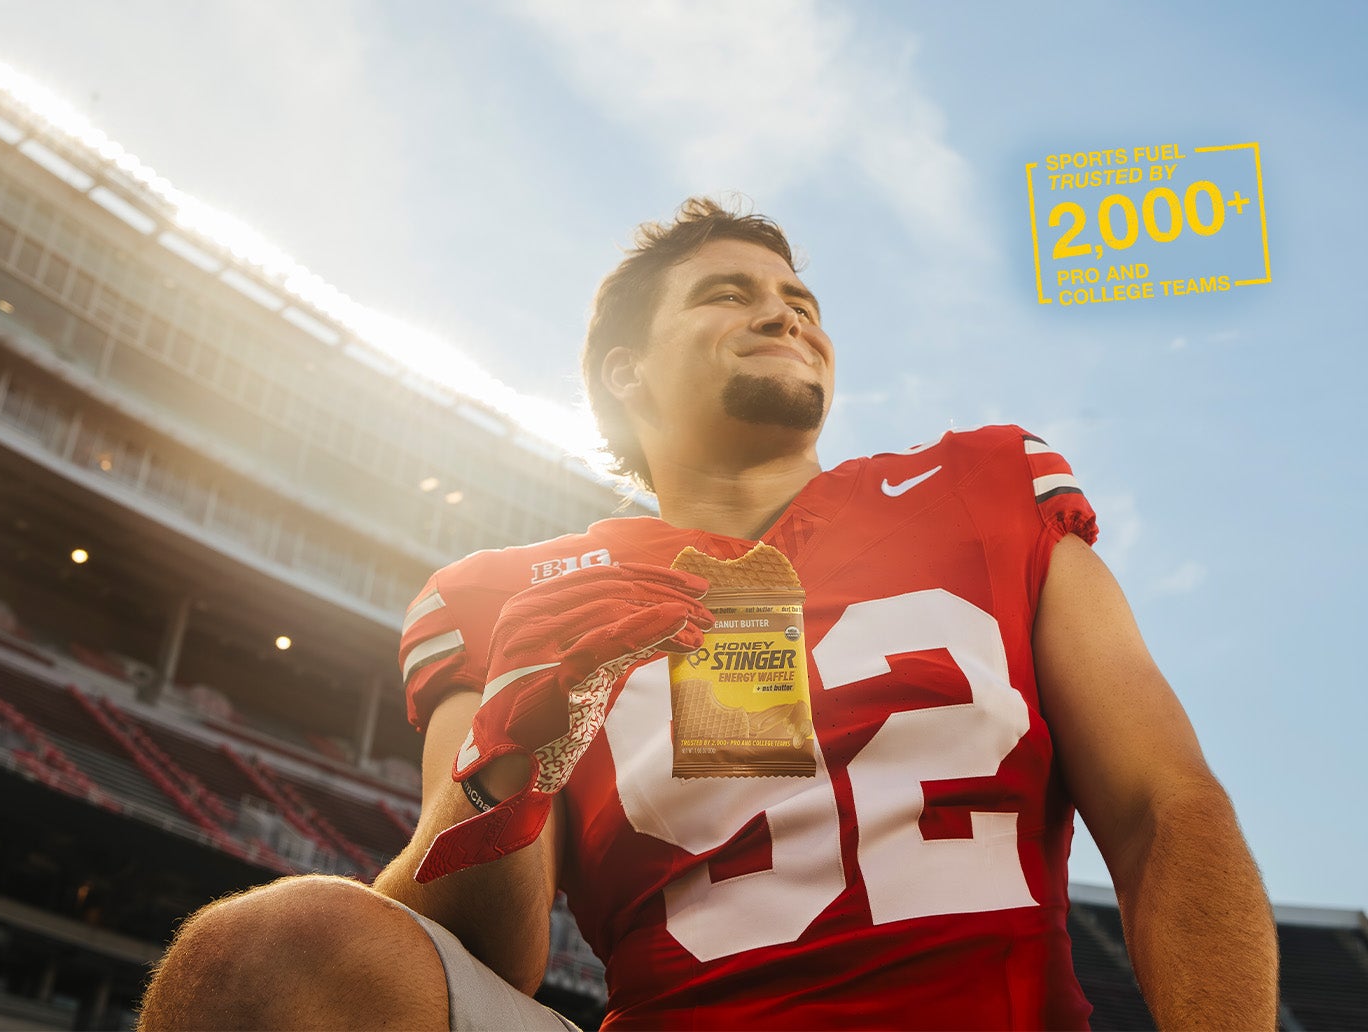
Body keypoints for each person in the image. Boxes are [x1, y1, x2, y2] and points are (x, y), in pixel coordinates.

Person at [136, 198, 1277, 1029]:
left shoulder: (988, 483)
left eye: (799, 300)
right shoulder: (498, 596)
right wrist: (511, 765)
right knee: (265, 953)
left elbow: (1165, 810)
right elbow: (482, 957)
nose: (783, 315)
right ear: (625, 374)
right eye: (729, 295)